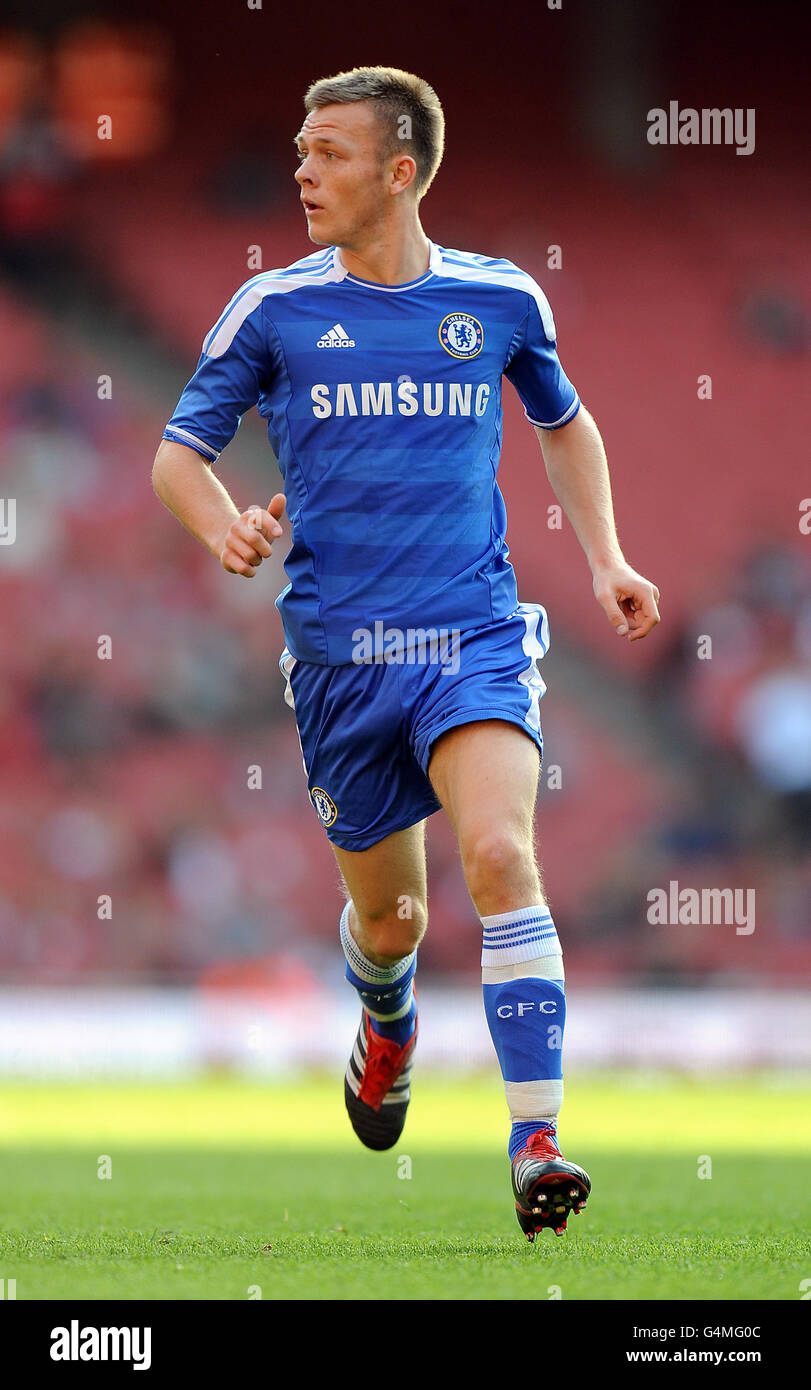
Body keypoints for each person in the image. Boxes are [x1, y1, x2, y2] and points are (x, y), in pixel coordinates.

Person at [152, 66, 661, 1241]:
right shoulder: (272, 309)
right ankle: (385, 1021)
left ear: (399, 170)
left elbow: (563, 421)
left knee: (497, 855)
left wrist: (604, 559)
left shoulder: (500, 301)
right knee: (392, 926)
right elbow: (179, 453)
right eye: (296, 148)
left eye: (325, 152)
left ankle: (536, 1142)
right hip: (338, 660)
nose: (300, 170)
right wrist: (224, 519)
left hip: (472, 637)